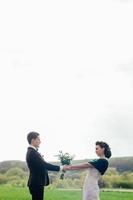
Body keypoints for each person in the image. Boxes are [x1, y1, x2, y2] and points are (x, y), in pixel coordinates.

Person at [26, 131, 64, 200]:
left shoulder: (33, 152)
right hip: (36, 183)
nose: (40, 141)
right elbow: (45, 165)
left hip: (36, 183)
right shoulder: (32, 152)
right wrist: (61, 168)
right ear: (33, 140)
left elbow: (41, 165)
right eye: (38, 139)